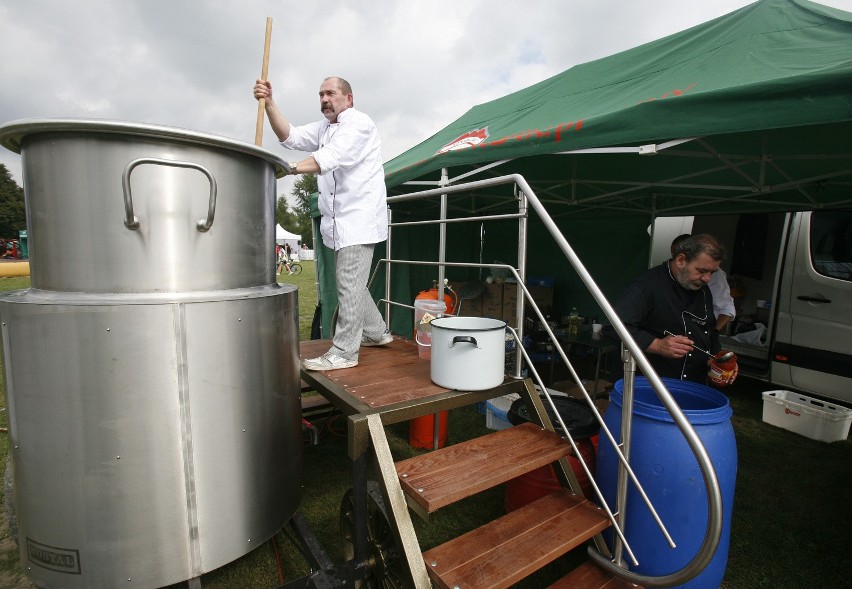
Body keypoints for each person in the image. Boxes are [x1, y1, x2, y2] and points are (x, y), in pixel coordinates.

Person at [254, 75, 391, 370]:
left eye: (330, 93)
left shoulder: (359, 124)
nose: (324, 99)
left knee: (348, 285)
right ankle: (377, 333)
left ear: (348, 98)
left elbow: (328, 158)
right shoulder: (324, 128)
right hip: (339, 222)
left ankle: (344, 352)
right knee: (352, 283)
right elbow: (288, 136)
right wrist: (269, 103)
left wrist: (287, 169)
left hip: (360, 218)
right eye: (320, 95)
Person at [606, 233, 735, 383]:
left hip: (692, 385)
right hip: (650, 385)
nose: (707, 278)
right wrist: (657, 345)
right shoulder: (648, 285)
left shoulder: (703, 291)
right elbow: (613, 327)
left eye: (712, 272)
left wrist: (716, 359)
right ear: (681, 260)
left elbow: (710, 330)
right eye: (701, 271)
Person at [672, 234, 736, 332]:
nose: (706, 278)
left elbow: (726, 309)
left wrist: (711, 335)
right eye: (674, 255)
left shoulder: (715, 275)